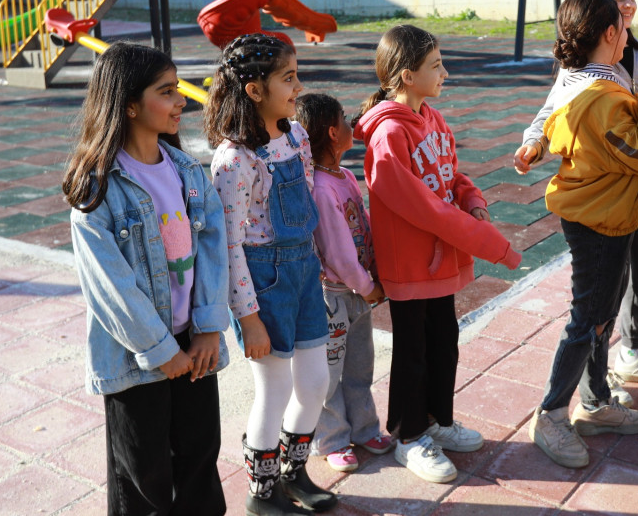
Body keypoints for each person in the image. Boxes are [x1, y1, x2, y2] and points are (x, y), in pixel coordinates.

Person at [62, 42, 229, 516]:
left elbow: (214, 253)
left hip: (194, 346)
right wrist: (160, 351)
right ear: (129, 104)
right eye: (167, 91)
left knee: (200, 460)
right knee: (143, 478)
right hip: (136, 359)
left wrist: (210, 327)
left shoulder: (187, 172)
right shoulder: (97, 188)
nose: (181, 100)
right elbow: (108, 286)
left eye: (177, 89)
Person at [514, 0, 638, 407]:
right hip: (607, 194)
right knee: (592, 312)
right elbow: (636, 140)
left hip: (623, 189)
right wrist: (534, 143)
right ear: (602, 23)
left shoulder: (619, 61)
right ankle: (561, 408)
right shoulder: (592, 81)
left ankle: (603, 386)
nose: (628, 4)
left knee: (633, 280)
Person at [353, 25, 521, 484]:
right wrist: (491, 245)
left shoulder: (432, 117)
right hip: (411, 264)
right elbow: (423, 207)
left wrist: (473, 201)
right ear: (407, 76)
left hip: (439, 261)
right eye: (436, 65)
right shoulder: (389, 134)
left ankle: (436, 422)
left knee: (443, 344)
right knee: (413, 352)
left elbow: (450, 175)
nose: (445, 73)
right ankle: (408, 437)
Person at [206, 34, 336, 515]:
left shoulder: (297, 135)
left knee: (316, 383)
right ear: (255, 90)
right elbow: (228, 244)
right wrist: (249, 317)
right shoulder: (234, 158)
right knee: (275, 389)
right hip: (263, 282)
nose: (298, 86)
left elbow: (304, 205)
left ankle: (293, 471)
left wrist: (318, 271)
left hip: (303, 272)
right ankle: (262, 491)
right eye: (288, 78)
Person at [294, 93, 395, 473]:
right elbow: (336, 253)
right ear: (334, 133)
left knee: (359, 365)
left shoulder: (343, 176)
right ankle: (332, 438)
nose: (353, 123)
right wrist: (368, 285)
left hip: (355, 292)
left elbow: (362, 227)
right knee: (329, 372)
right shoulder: (320, 187)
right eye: (344, 119)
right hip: (334, 296)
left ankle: (365, 428)